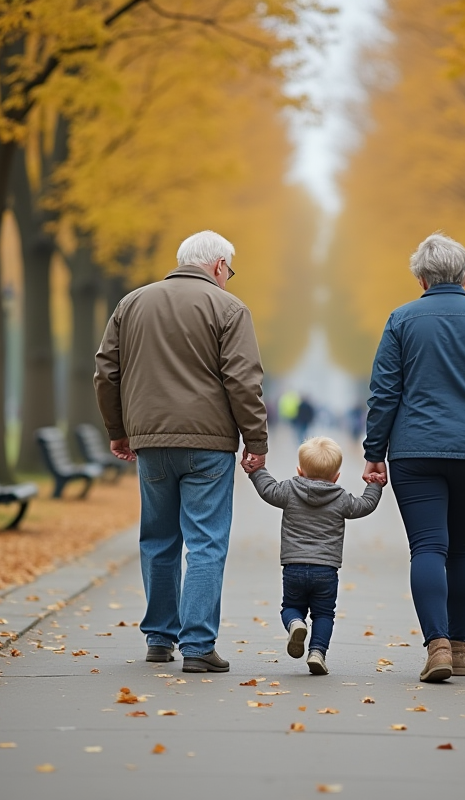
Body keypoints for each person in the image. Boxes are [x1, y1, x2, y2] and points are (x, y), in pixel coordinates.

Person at [94, 230, 267, 674]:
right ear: (216, 266)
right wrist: (256, 441)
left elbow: (106, 372)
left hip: (150, 441)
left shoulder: (131, 304)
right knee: (206, 541)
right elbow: (243, 381)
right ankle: (197, 645)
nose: (228, 278)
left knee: (158, 538)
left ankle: (158, 638)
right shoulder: (229, 309)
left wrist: (119, 431)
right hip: (207, 445)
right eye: (229, 270)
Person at [362, 232, 465, 683]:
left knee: (428, 547)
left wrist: (374, 451)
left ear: (420, 278)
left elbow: (384, 393)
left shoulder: (401, 320)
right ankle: (459, 649)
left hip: (415, 451)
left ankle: (435, 644)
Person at [244, 436, 383, 676]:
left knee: (290, 607)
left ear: (299, 470)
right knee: (324, 614)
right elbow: (364, 506)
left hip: (294, 567)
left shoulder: (288, 490)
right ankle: (317, 652)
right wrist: (375, 484)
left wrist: (257, 470)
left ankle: (296, 624)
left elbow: (268, 490)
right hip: (326, 571)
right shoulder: (341, 498)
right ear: (336, 476)